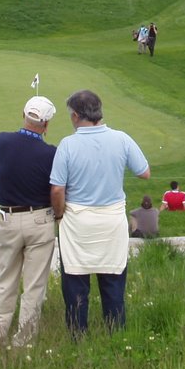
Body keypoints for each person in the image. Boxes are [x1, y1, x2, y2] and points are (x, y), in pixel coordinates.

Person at [49, 89, 150, 338]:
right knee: (113, 280)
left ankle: (78, 337)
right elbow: (144, 172)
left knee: (75, 283)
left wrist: (59, 215)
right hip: (112, 220)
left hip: (77, 221)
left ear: (75, 116)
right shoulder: (121, 138)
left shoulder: (68, 144)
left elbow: (58, 189)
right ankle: (116, 335)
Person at [0, 96, 58, 347]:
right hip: (40, 219)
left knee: (5, 280)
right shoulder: (51, 153)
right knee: (34, 285)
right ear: (47, 124)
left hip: (8, 218)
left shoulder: (2, 140)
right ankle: (23, 342)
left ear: (23, 114)